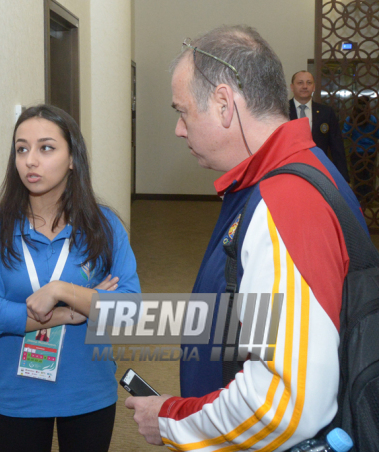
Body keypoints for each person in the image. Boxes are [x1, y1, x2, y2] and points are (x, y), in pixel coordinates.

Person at [125, 26, 366, 450]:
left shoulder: (285, 200)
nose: (180, 129)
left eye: (182, 111)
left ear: (223, 104)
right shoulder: (282, 176)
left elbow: (284, 402)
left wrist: (172, 420)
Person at [0, 104, 141, 452]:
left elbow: (129, 311)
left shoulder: (104, 227)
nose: (30, 160)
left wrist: (63, 291)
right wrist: (71, 311)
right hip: (19, 395)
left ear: (72, 158)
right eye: (22, 149)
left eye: (46, 148)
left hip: (88, 391)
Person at [289, 70, 349, 181]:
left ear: (314, 87)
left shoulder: (326, 112)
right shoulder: (281, 112)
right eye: (300, 83)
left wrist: (343, 179)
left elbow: (337, 147)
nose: (305, 86)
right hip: (289, 172)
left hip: (319, 173)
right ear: (292, 87)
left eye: (309, 83)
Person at [343, 96, 378, 206]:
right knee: (369, 177)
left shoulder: (351, 119)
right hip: (370, 152)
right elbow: (377, 135)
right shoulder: (372, 119)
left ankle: (358, 200)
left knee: (357, 177)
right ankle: (368, 200)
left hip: (356, 152)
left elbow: (345, 135)